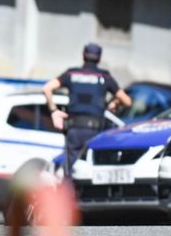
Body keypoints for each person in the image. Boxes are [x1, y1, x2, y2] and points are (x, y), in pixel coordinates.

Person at [43, 43, 132, 177]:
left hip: (74, 130)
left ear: (83, 55)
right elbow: (127, 101)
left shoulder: (71, 73)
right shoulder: (105, 77)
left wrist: (54, 111)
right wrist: (115, 102)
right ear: (99, 58)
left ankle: (71, 195)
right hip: (95, 132)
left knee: (71, 171)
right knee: (91, 169)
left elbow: (47, 88)